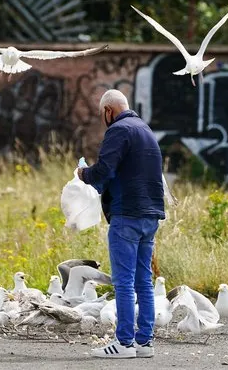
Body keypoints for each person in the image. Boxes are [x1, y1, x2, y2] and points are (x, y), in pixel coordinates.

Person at [78, 89, 165, 359]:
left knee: (124, 282)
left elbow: (105, 170)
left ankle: (124, 343)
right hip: (150, 216)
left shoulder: (119, 130)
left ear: (108, 111)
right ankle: (144, 343)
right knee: (144, 282)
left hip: (126, 215)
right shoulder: (146, 131)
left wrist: (83, 173)